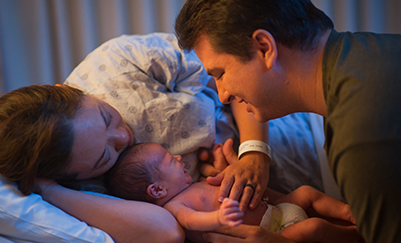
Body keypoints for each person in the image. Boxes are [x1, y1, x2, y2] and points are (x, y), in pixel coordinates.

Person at [0, 33, 271, 242]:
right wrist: (50, 190)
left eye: (106, 117)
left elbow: (237, 72)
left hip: (271, 124)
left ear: (66, 90)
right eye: (105, 156)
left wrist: (254, 152)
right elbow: (166, 232)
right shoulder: (87, 188)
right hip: (245, 206)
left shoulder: (119, 62)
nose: (123, 136)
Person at [174, 0, 401, 242]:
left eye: (220, 74)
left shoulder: (360, 135)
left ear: (264, 47)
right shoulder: (366, 57)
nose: (223, 95)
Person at [105, 142, 362, 243]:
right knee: (313, 228)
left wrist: (225, 166)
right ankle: (355, 235)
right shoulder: (174, 208)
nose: (179, 156)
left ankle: (352, 213)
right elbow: (192, 221)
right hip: (276, 234)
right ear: (157, 189)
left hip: (277, 209)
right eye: (169, 160)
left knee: (306, 192)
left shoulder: (197, 183)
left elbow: (230, 181)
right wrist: (217, 219)